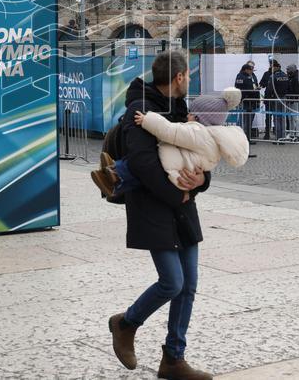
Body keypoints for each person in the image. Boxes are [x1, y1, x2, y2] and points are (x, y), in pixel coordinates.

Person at [108, 51, 213, 380]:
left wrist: (201, 180)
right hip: (153, 206)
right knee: (172, 282)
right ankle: (126, 324)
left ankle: (173, 358)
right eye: (189, 77)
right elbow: (142, 163)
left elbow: (198, 150)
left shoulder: (178, 108)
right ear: (179, 77)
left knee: (189, 285)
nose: (190, 81)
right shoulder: (138, 108)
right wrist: (178, 193)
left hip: (182, 207)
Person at [105, 89, 248, 198]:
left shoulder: (198, 132)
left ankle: (115, 174)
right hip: (184, 171)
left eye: (191, 113)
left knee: (142, 167)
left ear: (199, 118)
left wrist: (147, 119)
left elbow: (171, 131)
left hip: (178, 172)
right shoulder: (212, 137)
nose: (187, 115)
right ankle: (114, 175)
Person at [234, 63, 259, 144]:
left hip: (251, 101)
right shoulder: (241, 76)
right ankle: (242, 139)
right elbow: (243, 89)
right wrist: (253, 90)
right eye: (251, 70)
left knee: (248, 121)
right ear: (246, 69)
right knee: (244, 121)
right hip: (246, 102)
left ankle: (247, 138)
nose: (252, 71)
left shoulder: (250, 76)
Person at [266, 60, 290, 143]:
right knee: (282, 118)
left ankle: (278, 138)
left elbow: (269, 89)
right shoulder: (285, 76)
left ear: (275, 67)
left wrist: (267, 99)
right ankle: (283, 137)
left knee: (276, 119)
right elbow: (288, 87)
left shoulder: (273, 77)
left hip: (275, 99)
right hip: (284, 99)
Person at [285, 63, 299, 142]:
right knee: (291, 118)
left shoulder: (297, 78)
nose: (287, 71)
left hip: (295, 100)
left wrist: (290, 95)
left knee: (295, 118)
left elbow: (297, 90)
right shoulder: (292, 77)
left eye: (288, 70)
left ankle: (297, 134)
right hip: (292, 100)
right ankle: (292, 133)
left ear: (292, 70)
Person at [258, 61, 273, 140]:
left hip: (274, 99)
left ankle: (277, 133)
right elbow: (261, 83)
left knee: (277, 117)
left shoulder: (279, 74)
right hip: (268, 98)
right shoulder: (266, 74)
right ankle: (267, 133)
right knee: (268, 117)